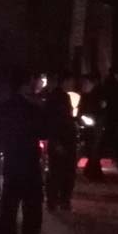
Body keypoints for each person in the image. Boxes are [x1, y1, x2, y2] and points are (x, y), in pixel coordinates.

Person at [0, 70, 47, 234]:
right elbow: (43, 132)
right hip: (29, 163)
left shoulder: (3, 108)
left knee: (9, 208)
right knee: (32, 209)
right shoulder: (33, 108)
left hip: (11, 162)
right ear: (25, 85)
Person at [44, 73, 77, 212]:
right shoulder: (58, 98)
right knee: (61, 171)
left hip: (63, 139)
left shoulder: (59, 97)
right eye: (70, 81)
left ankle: (57, 200)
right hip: (62, 139)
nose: (72, 84)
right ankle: (59, 200)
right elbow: (54, 121)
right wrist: (56, 141)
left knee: (59, 171)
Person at [79, 74, 106, 180]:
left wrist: (94, 120)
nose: (84, 85)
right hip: (87, 125)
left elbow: (101, 111)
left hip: (95, 126)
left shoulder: (97, 96)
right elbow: (81, 110)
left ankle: (93, 171)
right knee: (90, 148)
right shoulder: (85, 96)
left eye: (86, 83)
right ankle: (92, 170)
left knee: (94, 148)